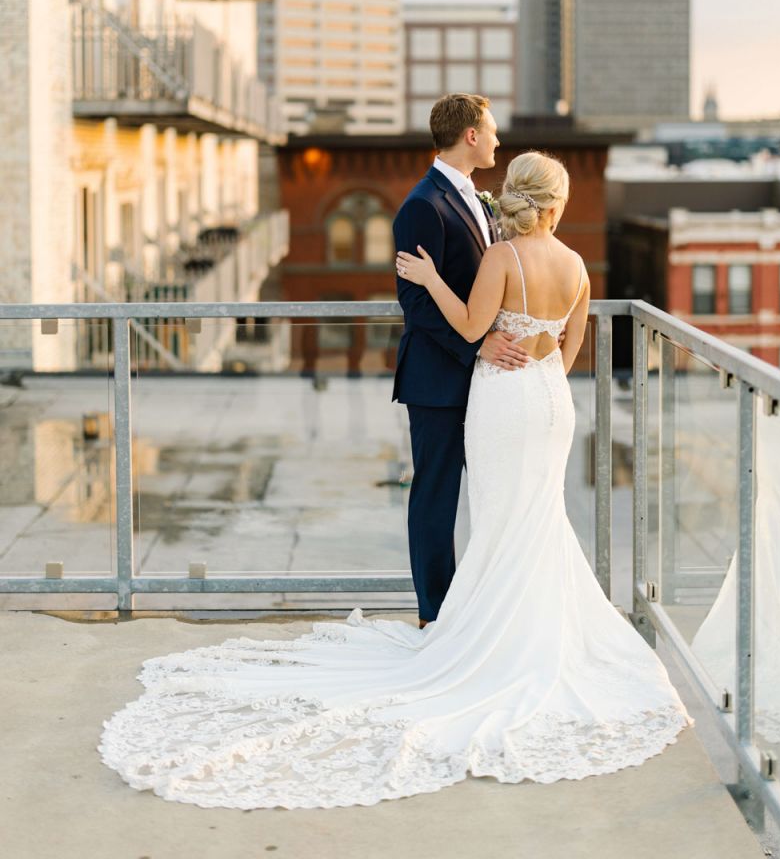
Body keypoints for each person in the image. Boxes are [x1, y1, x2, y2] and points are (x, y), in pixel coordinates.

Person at [98, 149, 693, 810]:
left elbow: (471, 327)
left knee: (498, 522)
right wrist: (540, 357)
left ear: (519, 199)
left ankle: (485, 640)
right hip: (551, 399)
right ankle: (542, 639)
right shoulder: (578, 266)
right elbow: (572, 350)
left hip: (502, 400)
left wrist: (432, 277)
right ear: (558, 205)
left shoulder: (504, 259)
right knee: (540, 518)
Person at [392, 94, 530, 629]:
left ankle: (484, 602)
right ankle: (436, 614)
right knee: (436, 497)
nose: (497, 139)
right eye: (491, 130)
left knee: (494, 491)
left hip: (486, 379)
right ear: (471, 135)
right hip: (437, 381)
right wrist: (478, 346)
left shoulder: (479, 198)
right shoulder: (422, 206)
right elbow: (417, 302)